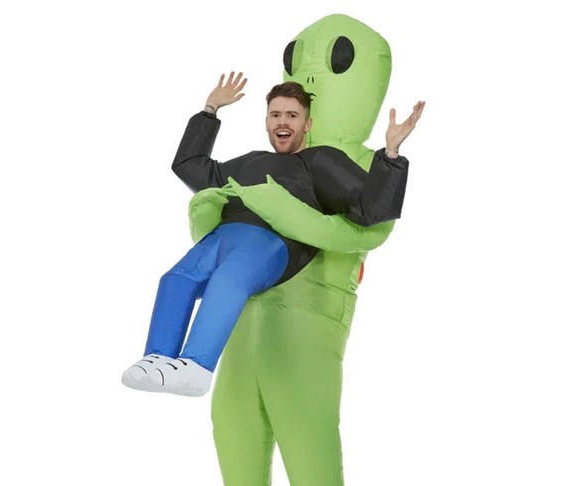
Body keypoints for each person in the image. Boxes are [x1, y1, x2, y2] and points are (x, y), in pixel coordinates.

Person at [121, 72, 423, 396]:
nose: (283, 121)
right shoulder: (251, 161)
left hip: (271, 242)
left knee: (228, 279)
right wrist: (210, 109)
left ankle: (195, 367)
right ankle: (156, 358)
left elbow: (370, 208)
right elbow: (190, 165)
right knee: (176, 279)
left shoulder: (319, 161)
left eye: (292, 115)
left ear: (308, 124)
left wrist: (391, 154)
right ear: (266, 122)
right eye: (275, 115)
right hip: (223, 236)